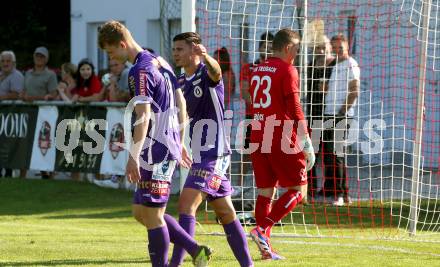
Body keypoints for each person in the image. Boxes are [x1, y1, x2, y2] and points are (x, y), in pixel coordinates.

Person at [98, 20, 212, 267]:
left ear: (121, 44)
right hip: (166, 143)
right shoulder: (158, 60)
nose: (110, 57)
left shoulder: (140, 70)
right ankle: (195, 250)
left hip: (155, 148)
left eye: (110, 52)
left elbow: (144, 115)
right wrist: (179, 141)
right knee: (142, 212)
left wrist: (133, 156)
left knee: (152, 215)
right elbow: (180, 100)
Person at [170, 32, 253, 267]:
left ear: (193, 50)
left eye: (180, 49)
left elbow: (217, 72)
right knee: (226, 212)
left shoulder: (206, 74)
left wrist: (206, 57)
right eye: (174, 49)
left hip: (215, 153)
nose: (176, 53)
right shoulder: (181, 81)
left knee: (186, 205)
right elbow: (182, 116)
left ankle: (181, 262)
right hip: (200, 154)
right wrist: (178, 145)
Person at [248, 29, 315, 260]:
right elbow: (295, 107)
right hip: (280, 135)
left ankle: (265, 250)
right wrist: (306, 140)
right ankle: (262, 229)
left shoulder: (256, 69)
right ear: (288, 48)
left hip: (257, 134)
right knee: (299, 189)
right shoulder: (287, 70)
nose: (297, 55)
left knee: (266, 191)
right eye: (296, 50)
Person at [322, 33, 360, 206]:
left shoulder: (350, 64)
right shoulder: (335, 65)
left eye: (340, 48)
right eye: (334, 48)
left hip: (340, 115)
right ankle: (341, 194)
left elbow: (354, 90)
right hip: (329, 114)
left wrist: (342, 112)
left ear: (347, 47)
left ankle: (341, 195)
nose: (337, 51)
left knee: (337, 155)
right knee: (331, 155)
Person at [21, 46, 58, 179]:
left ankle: (47, 173)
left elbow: (53, 94)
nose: (39, 58)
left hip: (44, 114)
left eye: (42, 56)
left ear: (46, 59)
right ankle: (22, 175)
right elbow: (24, 90)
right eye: (37, 55)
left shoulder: (50, 74)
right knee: (26, 142)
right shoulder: (28, 73)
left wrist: (36, 98)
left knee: (44, 142)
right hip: (28, 112)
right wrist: (23, 96)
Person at [306, 35, 336, 199]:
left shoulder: (334, 65)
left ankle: (330, 189)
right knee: (312, 153)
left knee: (331, 154)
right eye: (318, 47)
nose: (322, 50)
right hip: (313, 114)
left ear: (329, 47)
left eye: (324, 47)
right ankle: (310, 189)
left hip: (329, 114)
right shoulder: (310, 66)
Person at [0, 50, 24, 178]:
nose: (5, 63)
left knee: (8, 144)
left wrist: (1, 97)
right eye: (3, 61)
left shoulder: (17, 75)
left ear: (13, 63)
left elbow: (16, 94)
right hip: (2, 115)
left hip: (11, 115)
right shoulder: (1, 75)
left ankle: (9, 171)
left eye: (8, 61)